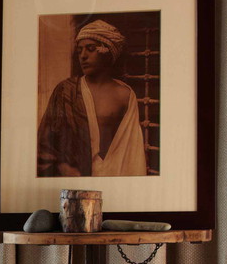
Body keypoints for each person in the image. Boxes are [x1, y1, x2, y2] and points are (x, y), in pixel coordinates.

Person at [37, 19, 148, 177]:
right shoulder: (66, 91)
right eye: (80, 50)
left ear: (107, 51)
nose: (83, 56)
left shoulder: (125, 95)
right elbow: (45, 144)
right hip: (76, 178)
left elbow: (132, 150)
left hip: (116, 175)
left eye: (90, 49)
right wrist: (63, 166)